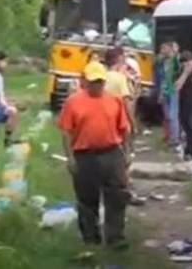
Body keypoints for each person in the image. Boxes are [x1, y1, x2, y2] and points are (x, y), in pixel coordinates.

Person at [57, 64, 130, 248]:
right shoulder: (73, 102)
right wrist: (70, 158)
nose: (97, 85)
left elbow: (124, 128)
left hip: (111, 154)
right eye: (93, 81)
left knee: (117, 196)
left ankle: (116, 238)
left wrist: (127, 152)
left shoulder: (114, 101)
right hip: (84, 156)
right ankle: (91, 238)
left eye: (100, 81)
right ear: (85, 81)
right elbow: (65, 131)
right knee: (87, 199)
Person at [155, 41, 181, 147]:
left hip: (172, 90)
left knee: (172, 115)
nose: (162, 51)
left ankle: (175, 139)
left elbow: (177, 62)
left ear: (169, 49)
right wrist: (161, 93)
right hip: (165, 90)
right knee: (167, 115)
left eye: (164, 49)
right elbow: (162, 79)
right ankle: (170, 137)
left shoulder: (174, 60)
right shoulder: (162, 62)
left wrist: (174, 52)